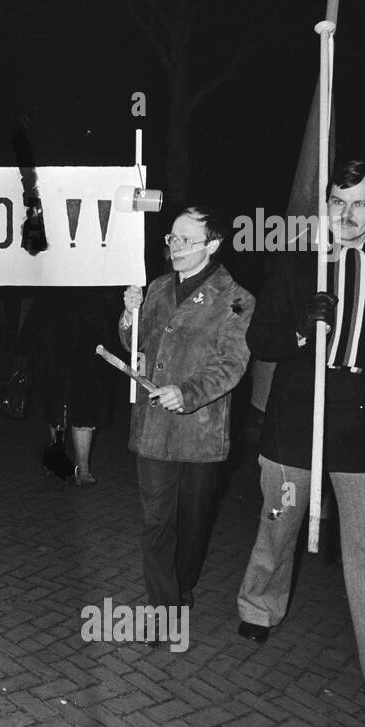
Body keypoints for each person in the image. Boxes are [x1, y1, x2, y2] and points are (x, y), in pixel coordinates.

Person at [235, 159, 365, 713]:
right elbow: (262, 339)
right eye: (338, 202)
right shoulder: (297, 260)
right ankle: (258, 607)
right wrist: (303, 329)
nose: (347, 214)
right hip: (297, 419)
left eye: (361, 204)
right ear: (326, 203)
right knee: (278, 524)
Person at [120, 205, 254, 623]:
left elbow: (231, 364)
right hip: (154, 426)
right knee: (156, 520)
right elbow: (136, 344)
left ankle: (182, 585)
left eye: (185, 240)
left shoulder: (235, 299)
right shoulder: (158, 288)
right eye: (172, 238)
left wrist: (188, 392)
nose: (175, 247)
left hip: (199, 433)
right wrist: (129, 315)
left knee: (192, 524)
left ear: (212, 245)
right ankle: (162, 608)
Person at [18, 286, 119, 485]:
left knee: (84, 411)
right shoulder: (52, 290)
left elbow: (104, 325)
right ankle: (59, 461)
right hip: (55, 357)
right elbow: (35, 323)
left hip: (87, 358)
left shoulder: (94, 289)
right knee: (57, 411)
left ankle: (83, 469)